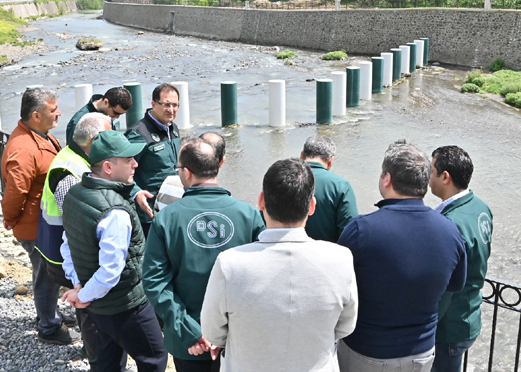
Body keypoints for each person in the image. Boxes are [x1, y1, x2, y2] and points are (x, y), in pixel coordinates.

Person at [201, 158, 359, 372]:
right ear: (312, 205)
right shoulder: (340, 259)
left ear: (261, 201)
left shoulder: (230, 263)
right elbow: (345, 327)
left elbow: (212, 333)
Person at [337, 140, 467, 372]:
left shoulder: (360, 230)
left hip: (366, 350)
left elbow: (338, 288)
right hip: (421, 352)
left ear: (387, 179)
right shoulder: (450, 231)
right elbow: (455, 285)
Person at [142, 137, 265, 372]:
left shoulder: (165, 219)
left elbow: (155, 282)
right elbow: (264, 276)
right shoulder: (250, 215)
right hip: (237, 341)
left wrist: (190, 331)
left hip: (188, 343)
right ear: (218, 166)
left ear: (187, 173)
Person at [60, 130, 168, 372]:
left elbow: (68, 244)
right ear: (108, 167)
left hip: (96, 303)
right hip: (126, 304)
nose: (135, 164)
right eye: (129, 160)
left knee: (108, 358)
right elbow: (111, 271)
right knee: (155, 356)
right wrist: (83, 295)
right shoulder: (115, 212)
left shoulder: (75, 193)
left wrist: (79, 286)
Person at [1, 87, 80, 345]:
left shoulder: (40, 136)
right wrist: (11, 219)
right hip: (35, 225)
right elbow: (16, 191)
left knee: (45, 273)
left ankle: (49, 315)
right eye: (53, 109)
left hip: (43, 223)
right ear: (35, 115)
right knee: (46, 276)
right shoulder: (23, 148)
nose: (59, 113)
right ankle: (49, 327)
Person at [38, 113, 109, 365]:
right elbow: (75, 222)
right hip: (64, 254)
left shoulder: (76, 157)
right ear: (93, 140)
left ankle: (93, 350)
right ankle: (94, 356)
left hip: (60, 250)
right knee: (87, 305)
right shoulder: (68, 171)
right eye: (107, 137)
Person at [428, 146, 493, 372]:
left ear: (445, 176)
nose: (428, 177)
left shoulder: (450, 223)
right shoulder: (480, 208)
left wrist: (426, 325)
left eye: (431, 170)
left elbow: (444, 286)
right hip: (469, 314)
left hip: (449, 326)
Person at [126, 83, 181, 236]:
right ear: (153, 104)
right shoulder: (138, 134)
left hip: (173, 206)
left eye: (175, 105)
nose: (171, 110)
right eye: (166, 104)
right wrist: (136, 193)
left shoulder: (173, 129)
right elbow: (121, 170)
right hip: (149, 212)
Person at [299, 134, 358, 242]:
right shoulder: (341, 186)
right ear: (330, 160)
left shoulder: (282, 179)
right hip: (327, 256)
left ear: (301, 155)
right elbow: (350, 232)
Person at [65, 87, 132, 145]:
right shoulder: (78, 122)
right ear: (106, 102)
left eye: (121, 114)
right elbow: (73, 152)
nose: (117, 117)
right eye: (116, 113)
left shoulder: (109, 114)